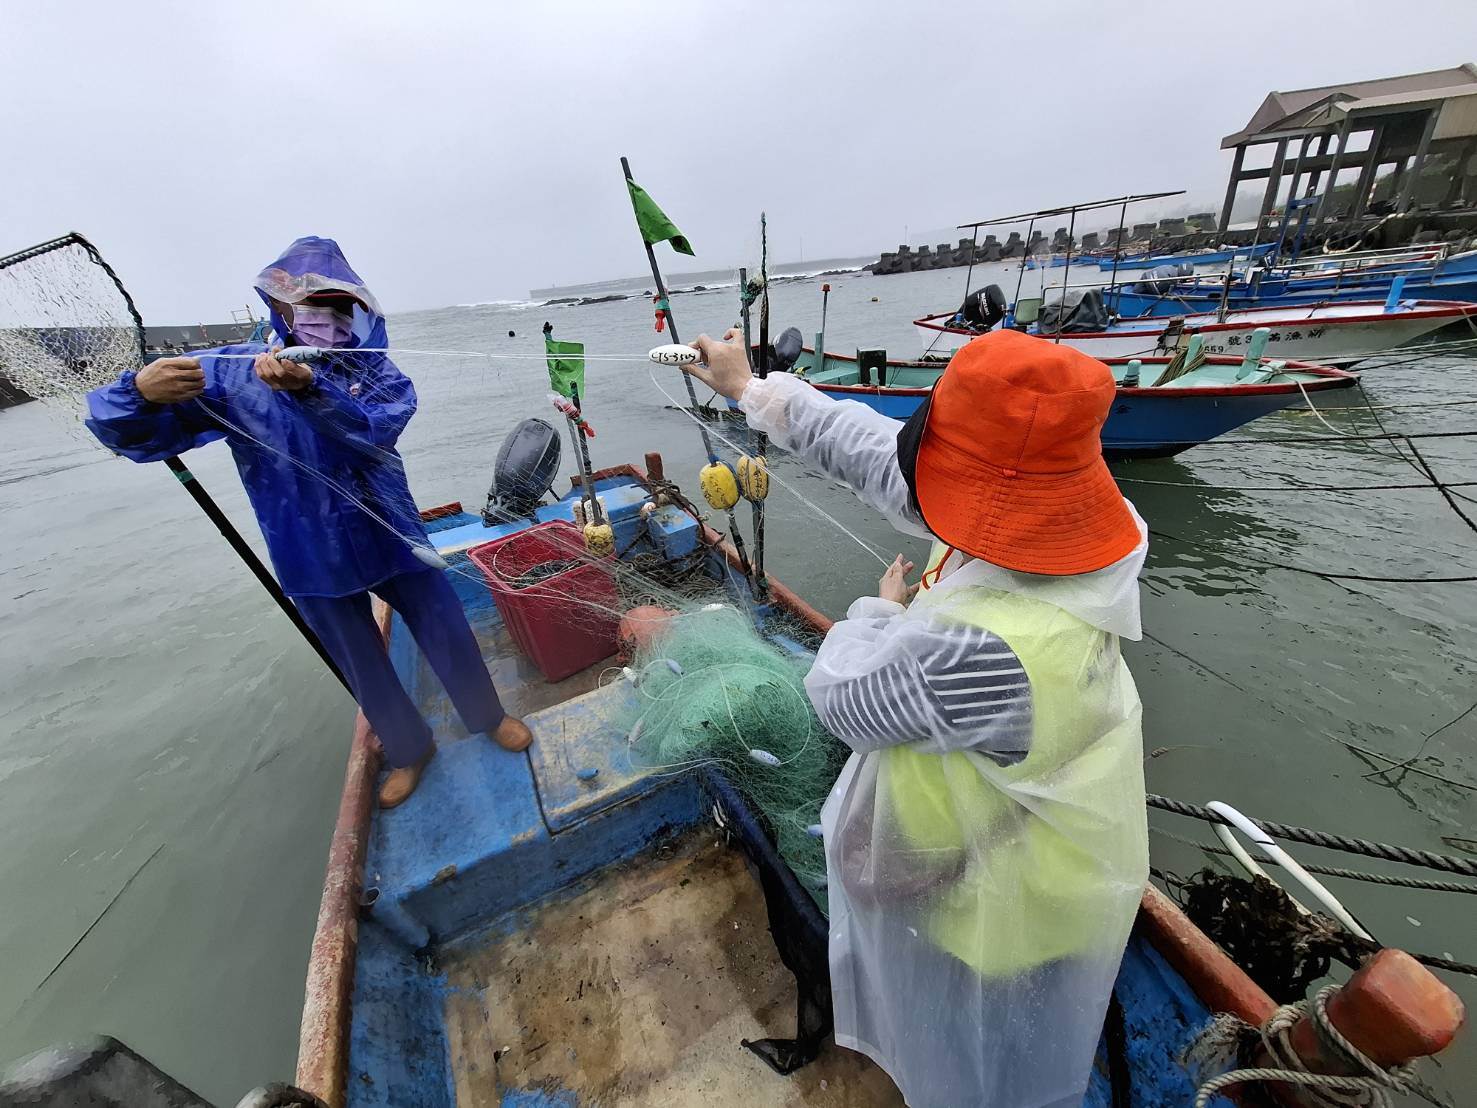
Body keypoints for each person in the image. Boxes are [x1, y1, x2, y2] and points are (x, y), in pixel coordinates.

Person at [683, 327, 1149, 1108]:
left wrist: (876, 610)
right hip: (1037, 818)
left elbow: (843, 701)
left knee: (971, 1054)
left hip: (1001, 904)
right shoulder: (1100, 532)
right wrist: (751, 389)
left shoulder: (980, 646)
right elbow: (877, 457)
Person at [85, 237, 532, 808]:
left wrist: (311, 389)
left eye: (339, 306)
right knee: (358, 659)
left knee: (445, 624)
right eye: (312, 304)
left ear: (357, 311)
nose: (327, 317)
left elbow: (374, 431)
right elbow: (129, 435)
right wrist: (139, 394)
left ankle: (489, 717)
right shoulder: (229, 373)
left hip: (389, 531)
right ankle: (409, 749)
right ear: (281, 307)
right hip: (305, 544)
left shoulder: (375, 371)